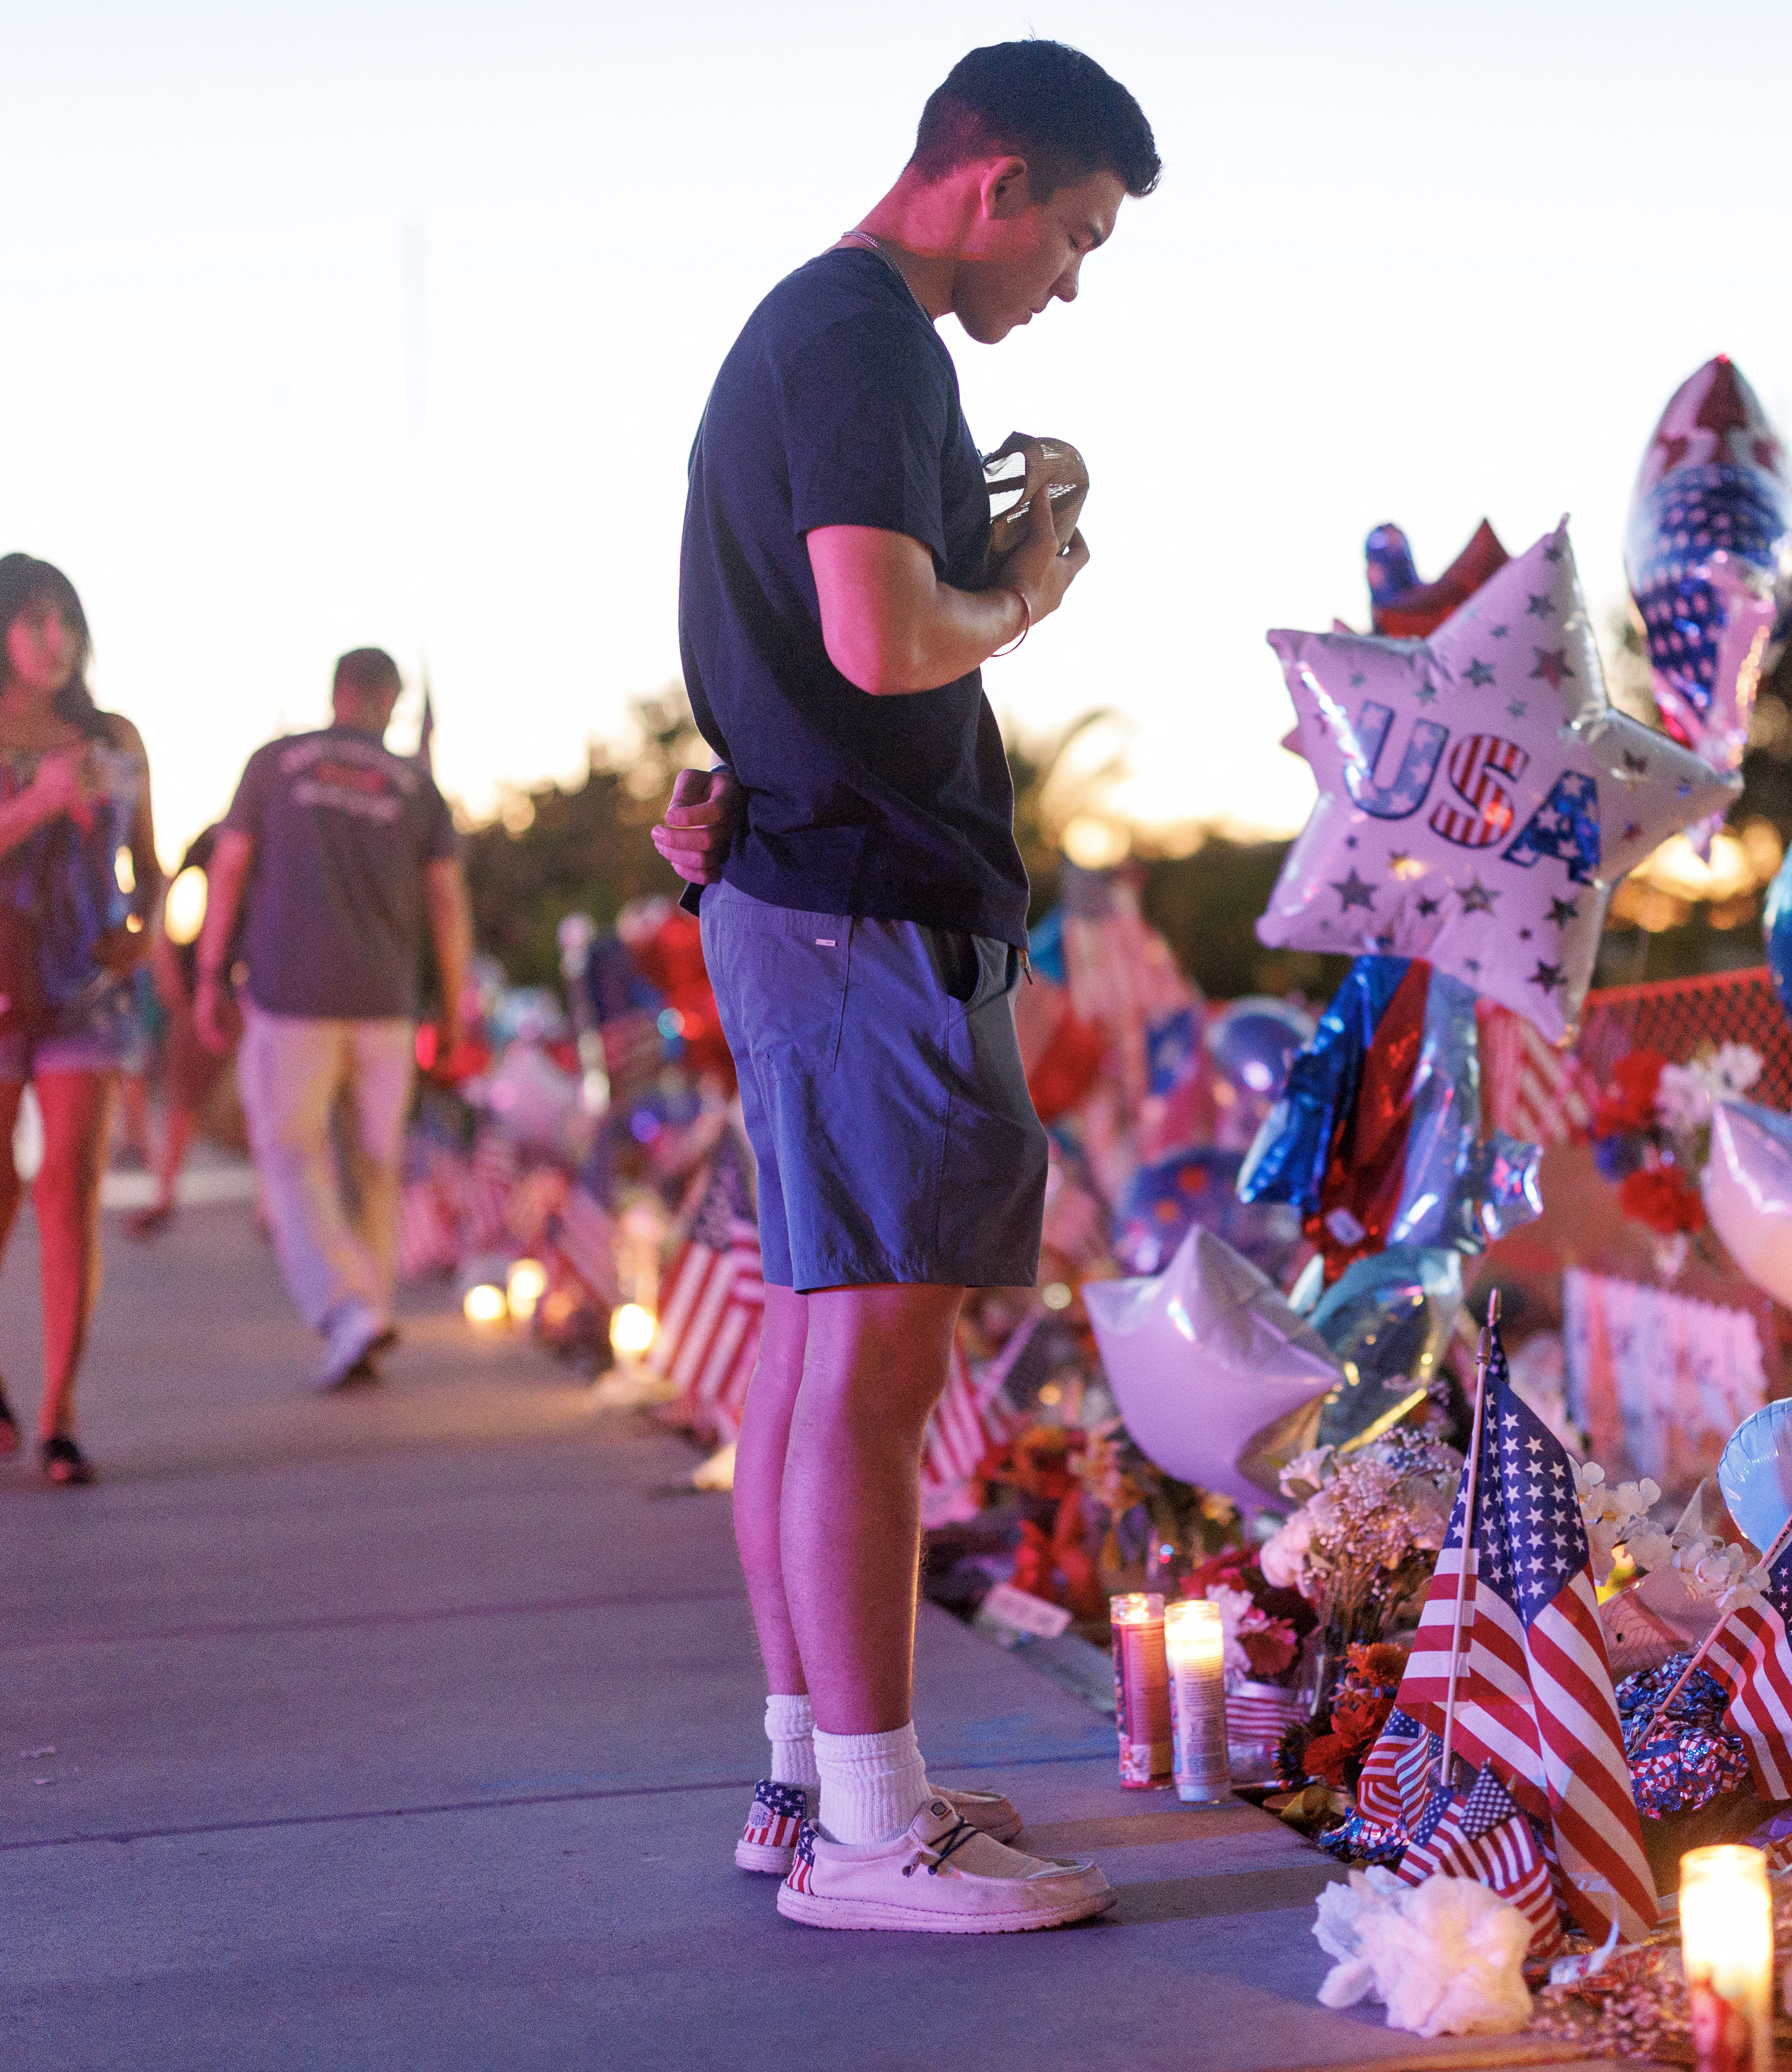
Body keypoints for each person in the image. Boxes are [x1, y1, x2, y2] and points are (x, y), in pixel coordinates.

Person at [670, 39, 1151, 1933]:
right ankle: (870, 1831)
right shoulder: (871, 339)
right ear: (993, 181)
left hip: (811, 895)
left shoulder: (820, 334)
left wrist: (996, 533)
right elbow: (876, 637)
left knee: (810, 1361)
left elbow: (819, 625)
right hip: (862, 906)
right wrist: (1026, 594)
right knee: (870, 1370)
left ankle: (815, 1787)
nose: (1073, 277)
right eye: (1079, 233)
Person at [0, 554, 168, 1487]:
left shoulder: (114, 737)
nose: (54, 639)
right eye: (34, 622)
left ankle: (59, 1411)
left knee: (69, 1186)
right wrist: (41, 802)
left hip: (84, 990)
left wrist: (146, 928)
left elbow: (147, 860)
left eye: (65, 620)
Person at [193, 648, 471, 1390]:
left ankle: (350, 1312)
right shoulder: (417, 786)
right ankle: (367, 1313)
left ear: (338, 693)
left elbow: (229, 867)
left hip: (292, 998)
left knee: (290, 1157)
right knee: (377, 1168)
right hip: (386, 1004)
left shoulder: (276, 765)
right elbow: (446, 901)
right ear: (390, 700)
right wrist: (457, 1003)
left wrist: (208, 971)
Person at [125, 822, 235, 1240]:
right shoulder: (215, 837)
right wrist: (167, 958)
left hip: (250, 984)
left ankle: (271, 1209)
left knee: (264, 1096)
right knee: (182, 1091)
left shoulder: (270, 830)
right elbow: (168, 890)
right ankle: (165, 1193)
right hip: (203, 984)